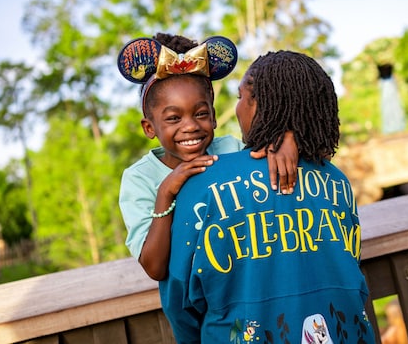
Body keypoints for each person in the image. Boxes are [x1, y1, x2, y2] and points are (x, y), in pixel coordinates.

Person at [160, 50, 376, 344]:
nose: (236, 110)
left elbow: (179, 297)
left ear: (258, 103)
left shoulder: (200, 185)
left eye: (240, 98)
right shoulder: (336, 180)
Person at [117, 33, 298, 281]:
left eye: (200, 114)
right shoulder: (139, 179)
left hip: (255, 283)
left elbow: (277, 175)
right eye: (173, 118)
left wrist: (286, 138)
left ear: (213, 116)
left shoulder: (232, 150)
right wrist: (166, 192)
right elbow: (155, 268)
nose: (190, 126)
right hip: (201, 308)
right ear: (149, 128)